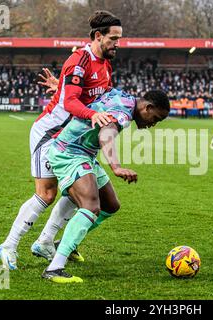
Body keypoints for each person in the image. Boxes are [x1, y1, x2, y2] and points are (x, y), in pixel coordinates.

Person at [0, 10, 123, 270]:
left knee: (77, 186)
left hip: (77, 140)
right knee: (47, 193)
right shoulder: (79, 61)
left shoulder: (106, 64)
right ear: (98, 36)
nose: (117, 44)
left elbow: (91, 95)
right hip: (51, 134)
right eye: (113, 38)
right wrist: (89, 111)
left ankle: (45, 242)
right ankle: (8, 245)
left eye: (119, 39)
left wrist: (63, 89)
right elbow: (72, 102)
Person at [41, 88, 170, 283]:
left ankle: (66, 244)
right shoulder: (124, 113)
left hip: (85, 153)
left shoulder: (125, 97)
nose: (154, 124)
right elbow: (105, 134)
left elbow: (98, 90)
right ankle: (55, 268)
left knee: (110, 205)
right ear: (147, 107)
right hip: (70, 151)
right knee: (91, 206)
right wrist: (116, 167)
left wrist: (60, 86)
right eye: (156, 118)